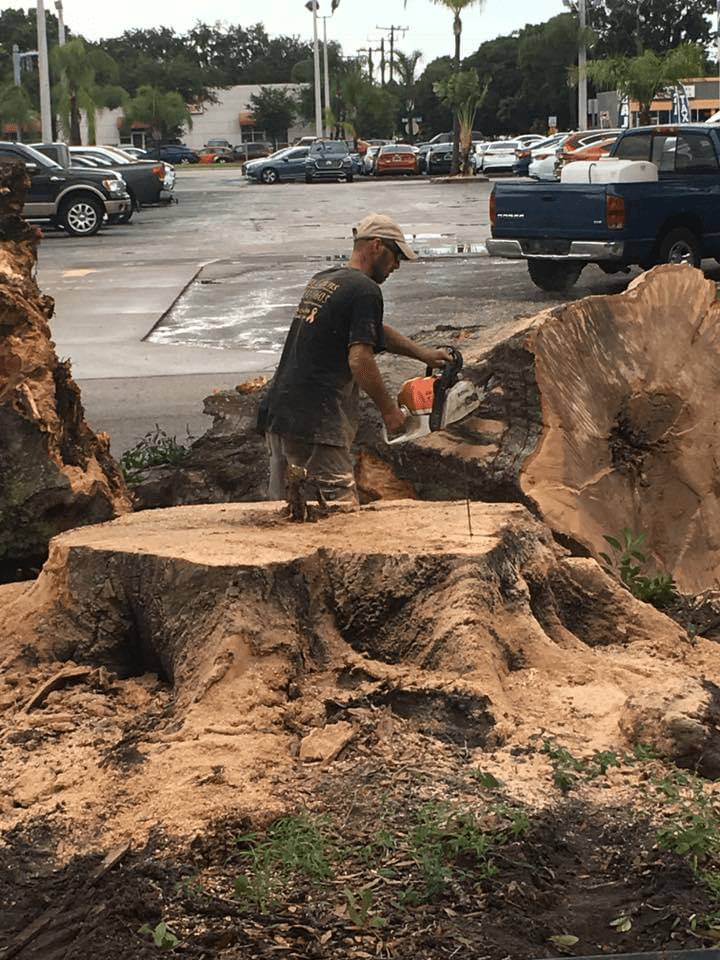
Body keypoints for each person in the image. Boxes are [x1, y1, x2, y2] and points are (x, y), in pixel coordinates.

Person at [260, 212, 453, 504]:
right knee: (340, 509)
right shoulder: (365, 289)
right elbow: (360, 360)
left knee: (287, 510)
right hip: (317, 422)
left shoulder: (326, 280)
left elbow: (373, 330)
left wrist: (421, 353)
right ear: (375, 246)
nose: (396, 266)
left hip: (280, 414)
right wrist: (390, 412)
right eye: (395, 255)